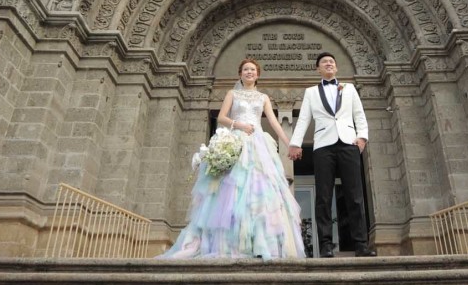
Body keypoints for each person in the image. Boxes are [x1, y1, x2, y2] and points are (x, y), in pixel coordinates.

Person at [160, 59, 305, 260]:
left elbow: (272, 120)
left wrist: (289, 142)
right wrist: (239, 125)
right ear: (240, 73)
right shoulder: (232, 94)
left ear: (258, 74)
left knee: (260, 190)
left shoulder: (263, 97)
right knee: (232, 188)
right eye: (246, 69)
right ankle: (228, 243)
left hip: (258, 143)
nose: (249, 72)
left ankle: (260, 242)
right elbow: (221, 117)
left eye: (253, 70)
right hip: (237, 139)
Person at [288, 52, 376, 258]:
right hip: (323, 146)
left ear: (335, 67)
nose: (328, 64)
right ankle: (326, 245)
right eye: (324, 62)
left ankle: (360, 244)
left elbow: (359, 115)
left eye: (331, 62)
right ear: (318, 68)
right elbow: (303, 120)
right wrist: (295, 143)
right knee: (324, 196)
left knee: (355, 196)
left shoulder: (350, 89)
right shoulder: (310, 92)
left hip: (348, 143)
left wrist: (362, 137)